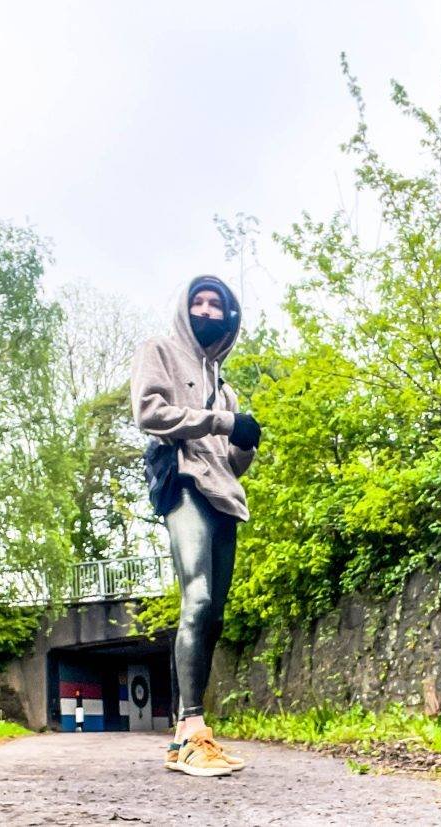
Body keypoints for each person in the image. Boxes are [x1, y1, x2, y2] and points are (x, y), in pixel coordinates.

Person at [129, 274, 262, 777]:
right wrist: (222, 422)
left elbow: (231, 463)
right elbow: (149, 412)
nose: (206, 310)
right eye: (198, 302)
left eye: (216, 304)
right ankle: (193, 729)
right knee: (198, 598)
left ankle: (186, 736)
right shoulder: (160, 350)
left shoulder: (225, 388)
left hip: (224, 497)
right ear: (185, 310)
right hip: (185, 486)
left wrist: (244, 441)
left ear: (228, 317)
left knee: (215, 618)